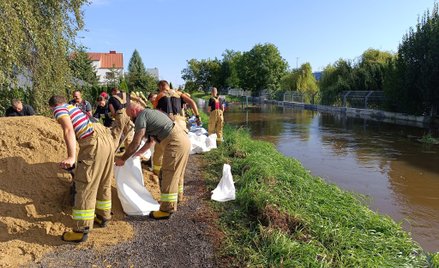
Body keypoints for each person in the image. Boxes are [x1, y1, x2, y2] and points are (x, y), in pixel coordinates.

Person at [49, 95, 114, 242]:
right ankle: (103, 216)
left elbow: (68, 130)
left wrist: (72, 157)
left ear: (52, 107)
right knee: (103, 181)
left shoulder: (59, 109)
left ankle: (81, 230)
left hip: (93, 141)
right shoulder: (75, 108)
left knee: (85, 185)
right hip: (107, 139)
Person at [115, 92, 190, 219]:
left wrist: (123, 159)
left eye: (130, 116)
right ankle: (176, 199)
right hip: (181, 139)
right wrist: (138, 153)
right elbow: (151, 141)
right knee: (174, 173)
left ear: (134, 111)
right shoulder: (149, 113)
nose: (131, 120)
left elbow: (136, 141)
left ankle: (166, 210)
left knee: (168, 174)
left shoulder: (141, 117)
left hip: (175, 142)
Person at [152, 80, 201, 201]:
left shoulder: (159, 96)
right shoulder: (179, 93)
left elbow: (156, 113)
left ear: (160, 87)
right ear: (168, 86)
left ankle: (157, 173)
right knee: (180, 161)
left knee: (159, 150)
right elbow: (192, 102)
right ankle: (180, 195)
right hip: (181, 123)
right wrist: (198, 116)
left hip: (167, 123)